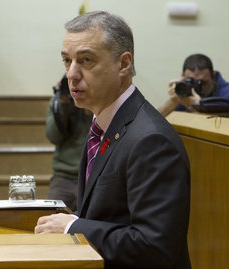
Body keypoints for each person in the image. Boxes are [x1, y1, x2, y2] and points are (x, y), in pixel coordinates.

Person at [35, 11, 191, 269]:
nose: (71, 74)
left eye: (86, 60)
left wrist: (74, 226)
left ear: (123, 64)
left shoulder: (151, 140)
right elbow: (110, 216)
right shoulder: (103, 124)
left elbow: (155, 247)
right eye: (67, 60)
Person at [46, 74, 92, 211]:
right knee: (49, 225)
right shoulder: (59, 101)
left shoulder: (101, 102)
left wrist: (89, 106)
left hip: (92, 178)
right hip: (63, 178)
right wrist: (63, 103)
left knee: (90, 227)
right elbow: (53, 136)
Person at [158, 53, 229, 117]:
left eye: (202, 82)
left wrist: (195, 106)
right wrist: (173, 100)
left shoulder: (226, 94)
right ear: (182, 76)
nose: (196, 86)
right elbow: (154, 121)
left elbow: (218, 126)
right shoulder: (185, 91)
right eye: (192, 82)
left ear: (213, 76)